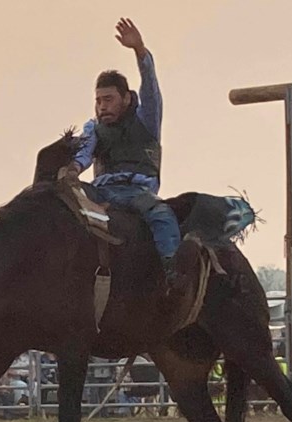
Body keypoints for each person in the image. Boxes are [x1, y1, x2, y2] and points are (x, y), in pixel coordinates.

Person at [61, 18, 181, 285]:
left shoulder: (146, 118)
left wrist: (140, 51)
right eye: (98, 101)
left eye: (108, 99)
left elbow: (151, 88)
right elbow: (84, 153)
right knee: (63, 207)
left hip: (137, 192)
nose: (102, 106)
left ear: (126, 98)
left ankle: (172, 271)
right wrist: (72, 170)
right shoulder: (93, 127)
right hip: (99, 191)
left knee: (161, 216)